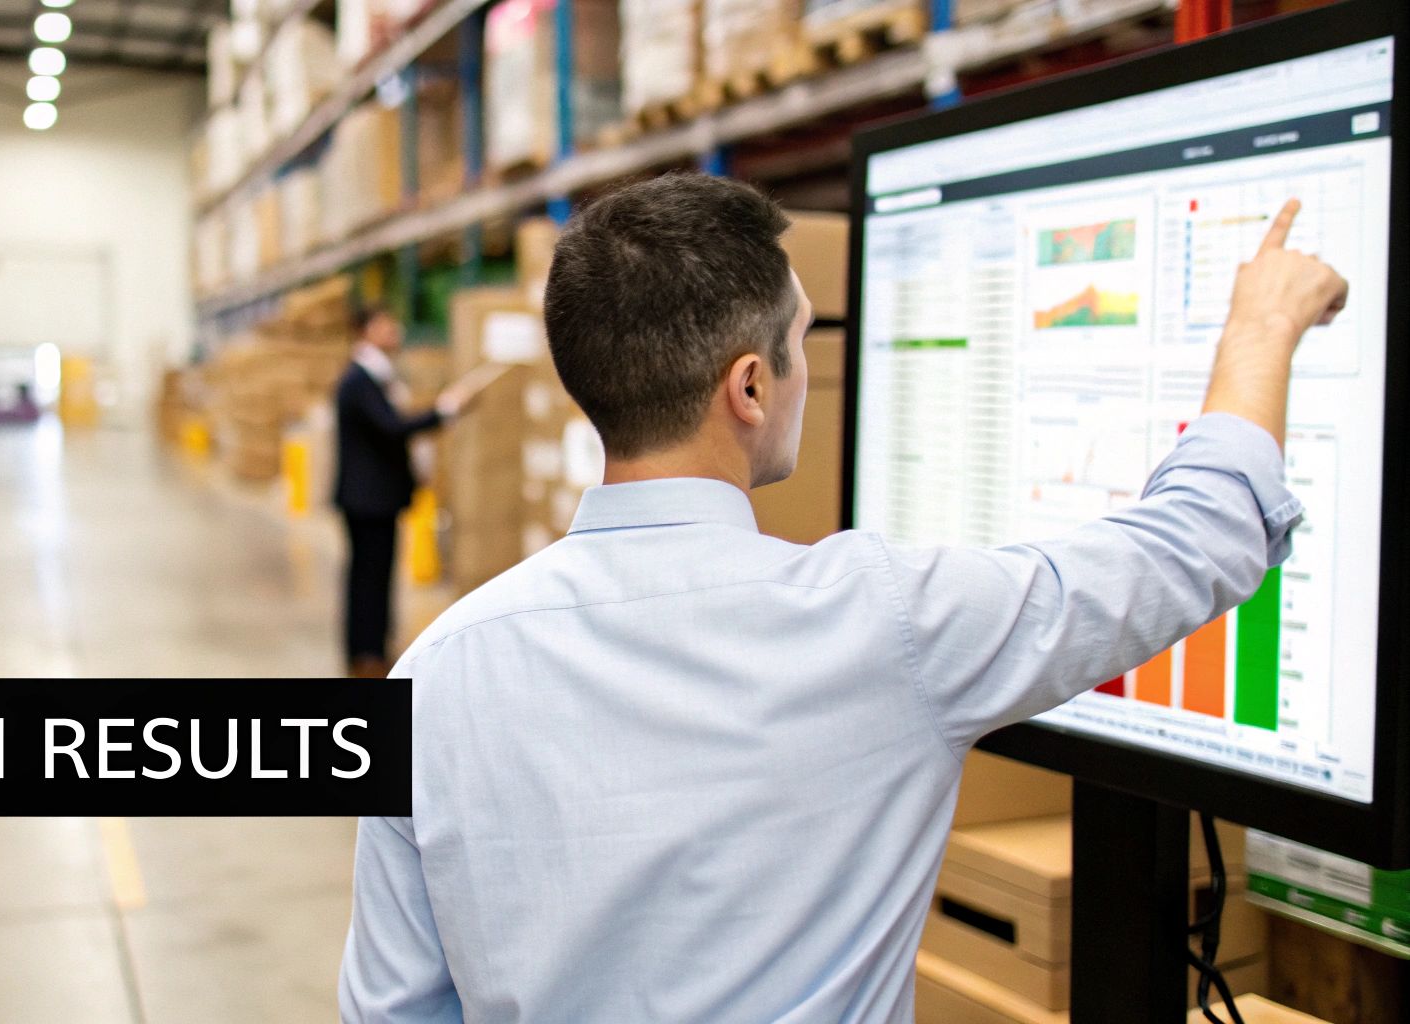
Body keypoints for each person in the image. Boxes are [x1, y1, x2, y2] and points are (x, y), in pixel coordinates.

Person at [338, 175, 1347, 1021]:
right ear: (749, 388)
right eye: (800, 341)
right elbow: (1194, 542)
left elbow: (392, 1009)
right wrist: (1260, 324)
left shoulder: (435, 670)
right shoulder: (882, 624)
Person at [333, 307, 467, 678]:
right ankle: (366, 654)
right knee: (369, 577)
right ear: (365, 330)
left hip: (373, 498)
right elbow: (391, 427)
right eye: (386, 326)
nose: (396, 331)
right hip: (368, 500)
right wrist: (442, 412)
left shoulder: (374, 377)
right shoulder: (359, 380)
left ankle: (371, 648)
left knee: (373, 576)